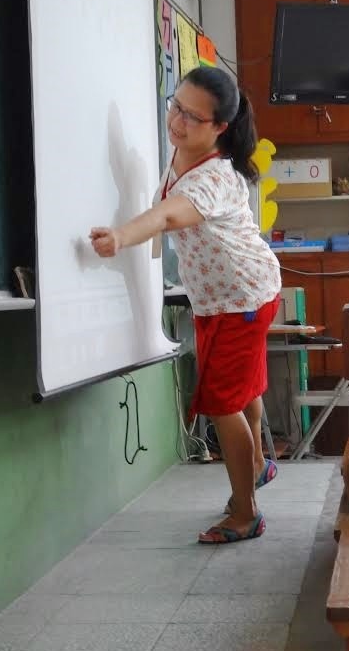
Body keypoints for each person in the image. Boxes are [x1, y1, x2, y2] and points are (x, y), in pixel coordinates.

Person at [89, 66, 282, 544]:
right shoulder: (184, 149)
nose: (176, 121)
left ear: (219, 127)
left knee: (221, 402)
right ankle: (256, 464)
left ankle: (245, 512)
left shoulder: (212, 178)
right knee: (241, 387)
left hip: (241, 298)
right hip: (222, 297)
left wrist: (120, 235)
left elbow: (167, 214)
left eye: (191, 117)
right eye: (175, 106)